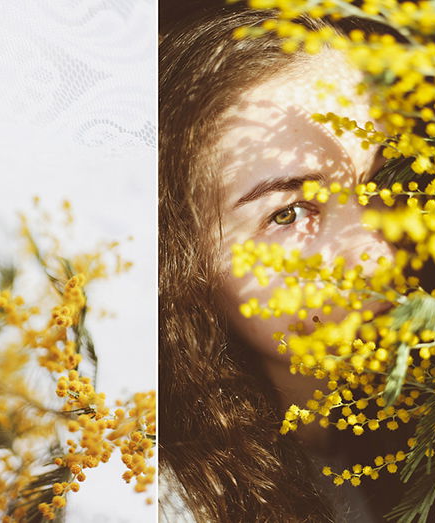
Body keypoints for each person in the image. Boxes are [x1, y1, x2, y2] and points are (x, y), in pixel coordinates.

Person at [159, 7, 399, 522]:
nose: (376, 253)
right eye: (287, 213)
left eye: (378, 181)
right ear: (179, 257)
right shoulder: (170, 503)